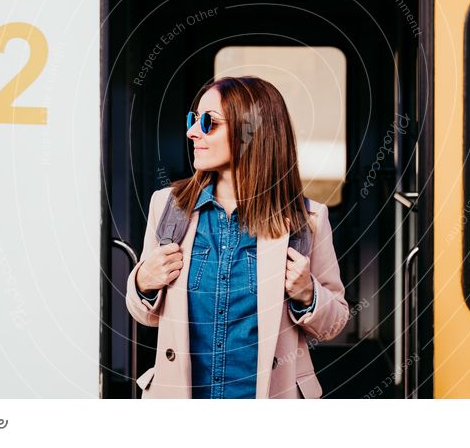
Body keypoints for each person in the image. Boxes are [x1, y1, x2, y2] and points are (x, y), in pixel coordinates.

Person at [125, 75, 349, 399]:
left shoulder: (308, 220)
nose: (192, 132)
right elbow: (144, 313)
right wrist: (143, 281)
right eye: (193, 120)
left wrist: (307, 293)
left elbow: (335, 321)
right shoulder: (169, 206)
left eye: (208, 122)